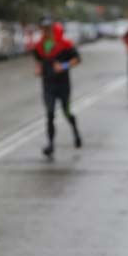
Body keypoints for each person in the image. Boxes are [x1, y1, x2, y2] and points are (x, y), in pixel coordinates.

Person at [34, 19, 82, 158]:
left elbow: (78, 59)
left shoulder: (65, 45)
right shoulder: (39, 46)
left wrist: (64, 66)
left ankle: (75, 132)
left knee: (66, 112)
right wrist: (38, 69)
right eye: (43, 29)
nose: (45, 31)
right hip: (48, 84)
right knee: (50, 114)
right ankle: (50, 144)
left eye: (48, 29)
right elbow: (38, 61)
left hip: (63, 85)